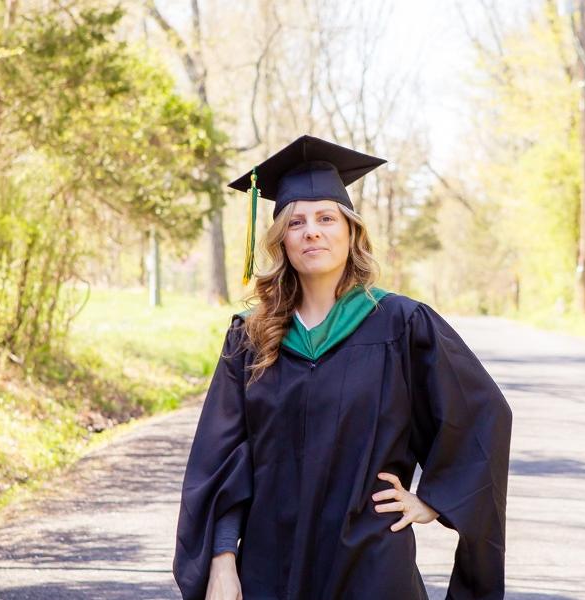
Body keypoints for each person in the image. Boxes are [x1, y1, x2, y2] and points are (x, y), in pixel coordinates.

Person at [172, 135, 513, 600]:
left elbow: (480, 415)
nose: (312, 231)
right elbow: (221, 458)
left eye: (326, 218)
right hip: (271, 564)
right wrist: (222, 561)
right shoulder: (250, 337)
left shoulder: (401, 324)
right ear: (281, 241)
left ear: (351, 232)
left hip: (370, 562)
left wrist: (432, 499)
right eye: (296, 222)